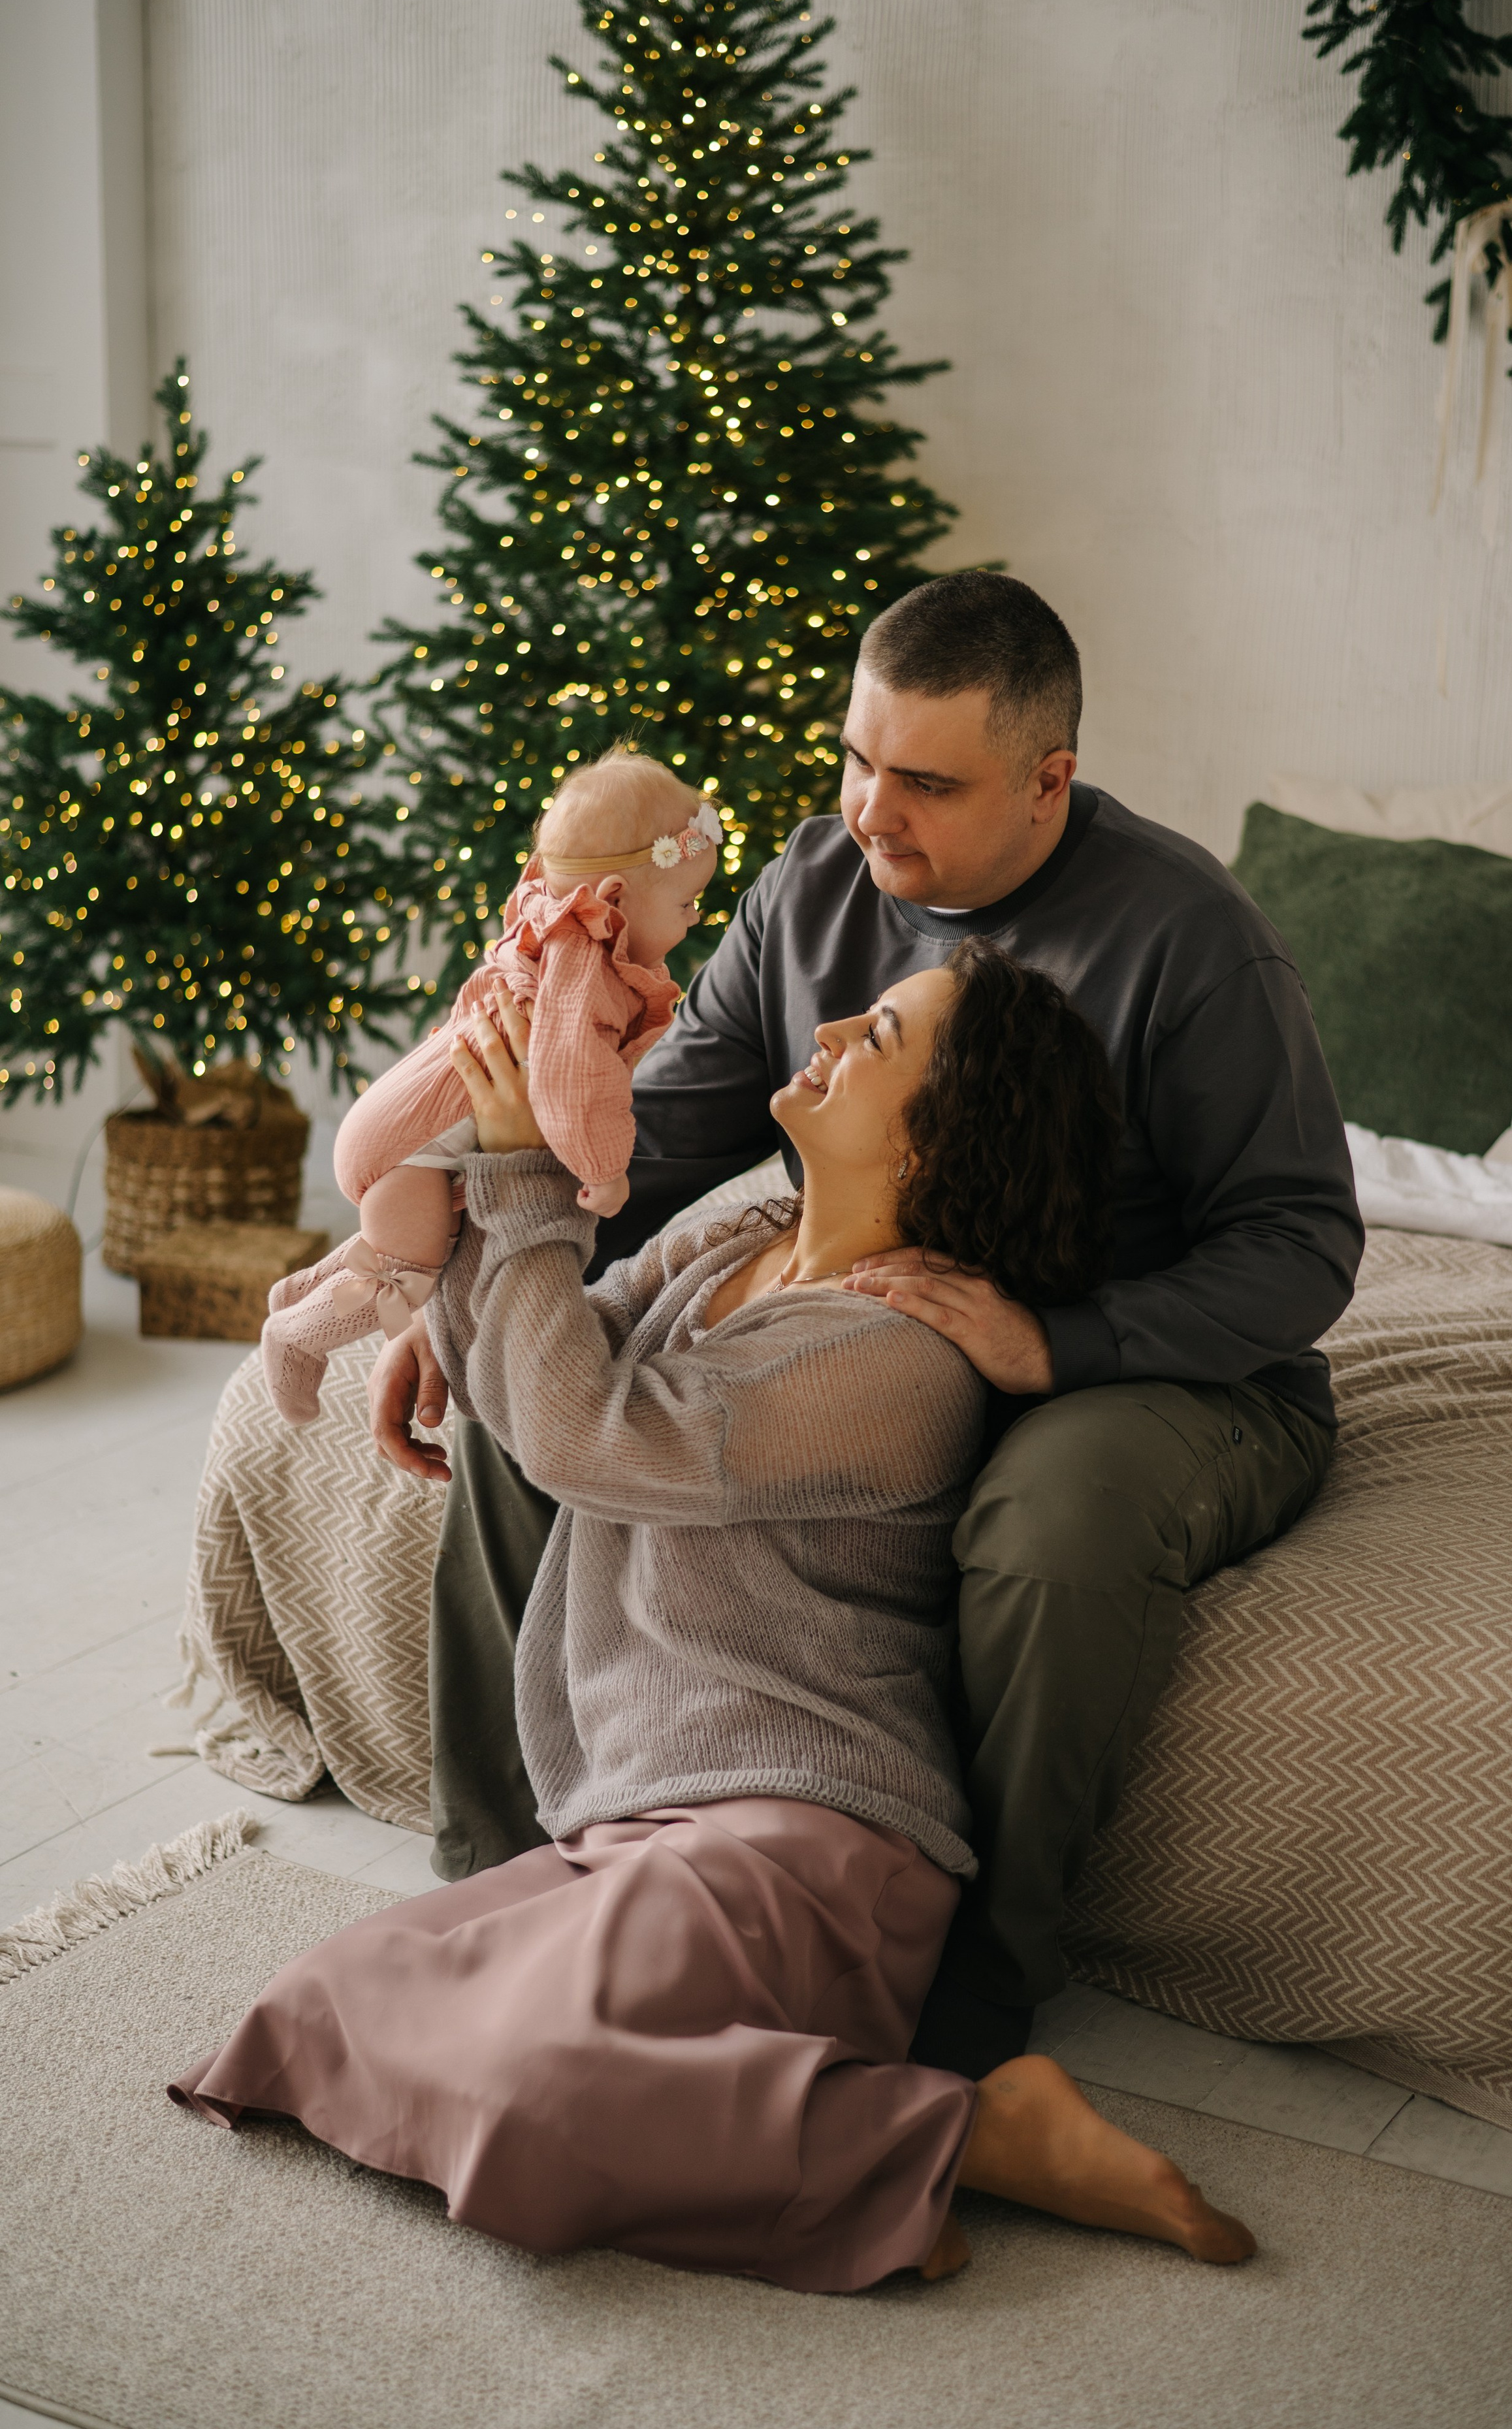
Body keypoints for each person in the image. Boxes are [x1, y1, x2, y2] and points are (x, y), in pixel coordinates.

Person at [373, 571, 1365, 2076]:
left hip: (1153, 1352)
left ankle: (972, 2010)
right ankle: (500, 1864)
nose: (867, 810)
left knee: (1051, 1509)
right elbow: (642, 1145)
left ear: (1048, 779)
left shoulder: (1189, 942)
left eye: (923, 781)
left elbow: (1300, 1244)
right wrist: (441, 1291)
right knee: (533, 1399)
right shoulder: (810, 890)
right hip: (877, 1311)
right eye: (854, 757)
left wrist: (1060, 1345)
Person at [171, 943, 1256, 2293]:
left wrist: (522, 1176)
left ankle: (963, 2130)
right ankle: (838, 2123)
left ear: (937, 1139)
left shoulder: (893, 1358)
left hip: (798, 1841)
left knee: (519, 2096)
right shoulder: (730, 1243)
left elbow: (583, 1432)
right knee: (312, 2013)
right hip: (636, 1819)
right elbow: (536, 1347)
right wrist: (433, 1280)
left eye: (886, 1038)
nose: (839, 1020)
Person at [261, 747, 719, 1421]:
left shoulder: (547, 925)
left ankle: (301, 1291)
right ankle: (296, 1336)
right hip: (409, 1144)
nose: (695, 919)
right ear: (615, 899)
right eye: (687, 901)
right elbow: (571, 1077)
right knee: (412, 1268)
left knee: (400, 1247)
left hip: (400, 1118)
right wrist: (604, 1168)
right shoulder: (579, 968)